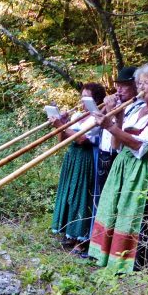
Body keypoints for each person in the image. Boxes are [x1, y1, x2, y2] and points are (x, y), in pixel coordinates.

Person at [88, 63, 148, 272]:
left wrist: (109, 125)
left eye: (145, 83)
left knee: (136, 215)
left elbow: (139, 144)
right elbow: (116, 144)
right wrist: (114, 114)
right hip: (122, 165)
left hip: (143, 169)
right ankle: (108, 257)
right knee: (113, 209)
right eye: (139, 83)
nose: (140, 87)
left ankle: (133, 264)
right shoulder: (136, 108)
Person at [47, 82, 106, 254]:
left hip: (86, 158)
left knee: (82, 196)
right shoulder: (78, 115)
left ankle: (83, 239)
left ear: (96, 100)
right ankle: (70, 234)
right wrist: (61, 123)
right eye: (82, 98)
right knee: (70, 193)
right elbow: (62, 140)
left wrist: (61, 125)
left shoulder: (98, 118)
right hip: (72, 157)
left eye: (87, 98)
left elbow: (82, 139)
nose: (82, 102)